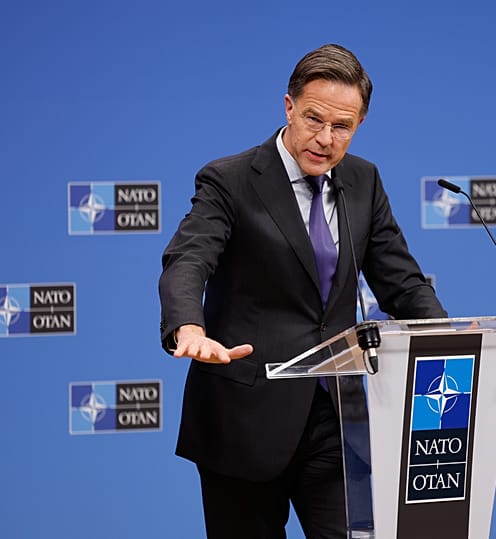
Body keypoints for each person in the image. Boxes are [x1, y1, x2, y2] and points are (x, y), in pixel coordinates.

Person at [158, 44, 446, 539]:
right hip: (244, 418)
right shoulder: (230, 180)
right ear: (288, 106)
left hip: (335, 416)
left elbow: (401, 280)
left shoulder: (364, 180)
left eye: (343, 127)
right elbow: (189, 257)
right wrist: (189, 325)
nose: (325, 139)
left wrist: (448, 343)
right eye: (314, 119)